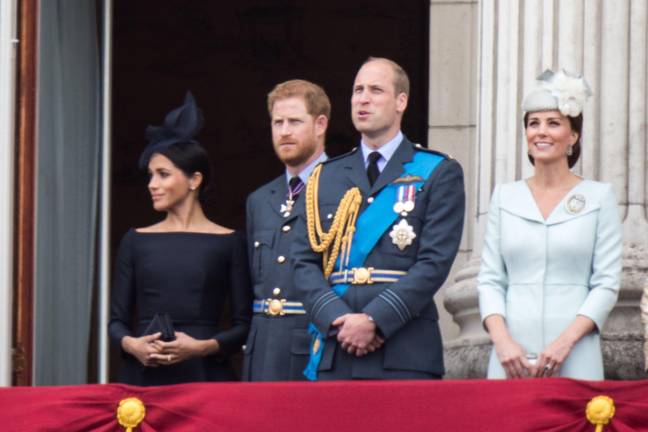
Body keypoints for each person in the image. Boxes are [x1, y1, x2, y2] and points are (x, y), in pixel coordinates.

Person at [291, 57, 465, 380]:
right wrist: (337, 320)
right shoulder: (323, 177)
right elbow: (302, 264)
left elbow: (434, 263)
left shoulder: (437, 172)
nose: (363, 98)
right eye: (358, 90)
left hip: (404, 350)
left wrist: (374, 320)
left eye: (375, 90)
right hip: (337, 349)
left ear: (401, 101)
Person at [477, 70, 622, 380]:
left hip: (575, 352)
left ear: (573, 136)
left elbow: (606, 283)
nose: (541, 132)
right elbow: (490, 279)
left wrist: (563, 344)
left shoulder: (598, 196)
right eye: (534, 124)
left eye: (553, 123)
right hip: (509, 356)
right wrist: (502, 342)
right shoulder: (505, 196)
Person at [109, 92, 252, 385]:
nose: (152, 185)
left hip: (205, 375)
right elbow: (116, 322)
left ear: (194, 180)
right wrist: (133, 345)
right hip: (145, 374)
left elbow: (245, 324)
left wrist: (202, 347)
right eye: (150, 176)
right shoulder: (135, 240)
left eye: (162, 174)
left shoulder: (229, 241)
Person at [242, 80, 330, 381]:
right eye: (277, 122)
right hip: (262, 349)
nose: (284, 131)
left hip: (312, 347)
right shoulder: (259, 199)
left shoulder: (344, 187)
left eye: (294, 121)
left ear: (320, 125)